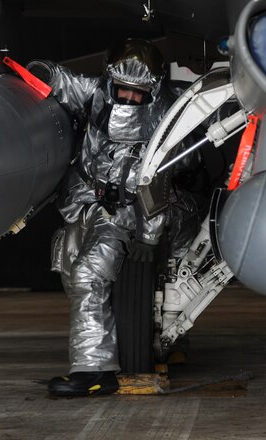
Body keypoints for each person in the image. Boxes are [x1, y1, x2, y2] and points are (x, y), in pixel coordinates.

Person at [28, 39, 199, 397]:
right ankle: (144, 346)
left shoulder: (169, 116)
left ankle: (94, 371)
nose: (128, 100)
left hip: (134, 212)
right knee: (70, 266)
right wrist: (35, 72)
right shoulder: (95, 94)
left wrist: (148, 236)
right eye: (122, 90)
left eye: (138, 94)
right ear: (110, 83)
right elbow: (62, 80)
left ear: (151, 90)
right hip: (86, 203)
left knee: (89, 276)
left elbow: (160, 178)